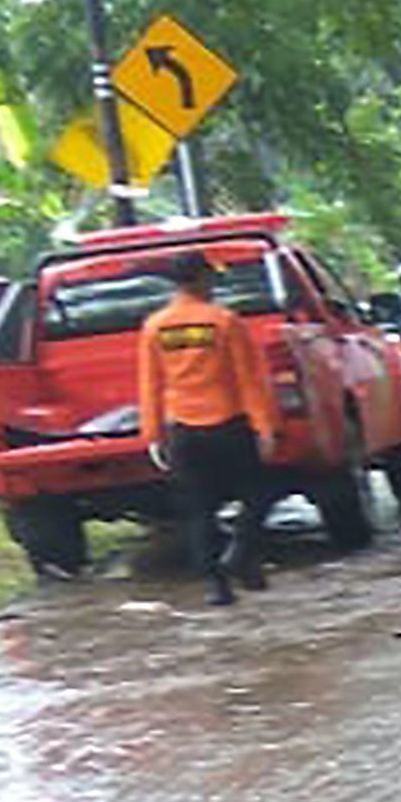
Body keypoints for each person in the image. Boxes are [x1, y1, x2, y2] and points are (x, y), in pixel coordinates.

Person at [133, 249, 280, 607]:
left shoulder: (155, 327)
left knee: (199, 510)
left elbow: (150, 385)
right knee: (258, 495)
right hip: (229, 426)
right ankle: (241, 553)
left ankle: (216, 587)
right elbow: (250, 380)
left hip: (183, 430)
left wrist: (152, 434)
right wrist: (264, 427)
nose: (213, 283)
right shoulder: (224, 322)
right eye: (210, 277)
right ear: (200, 278)